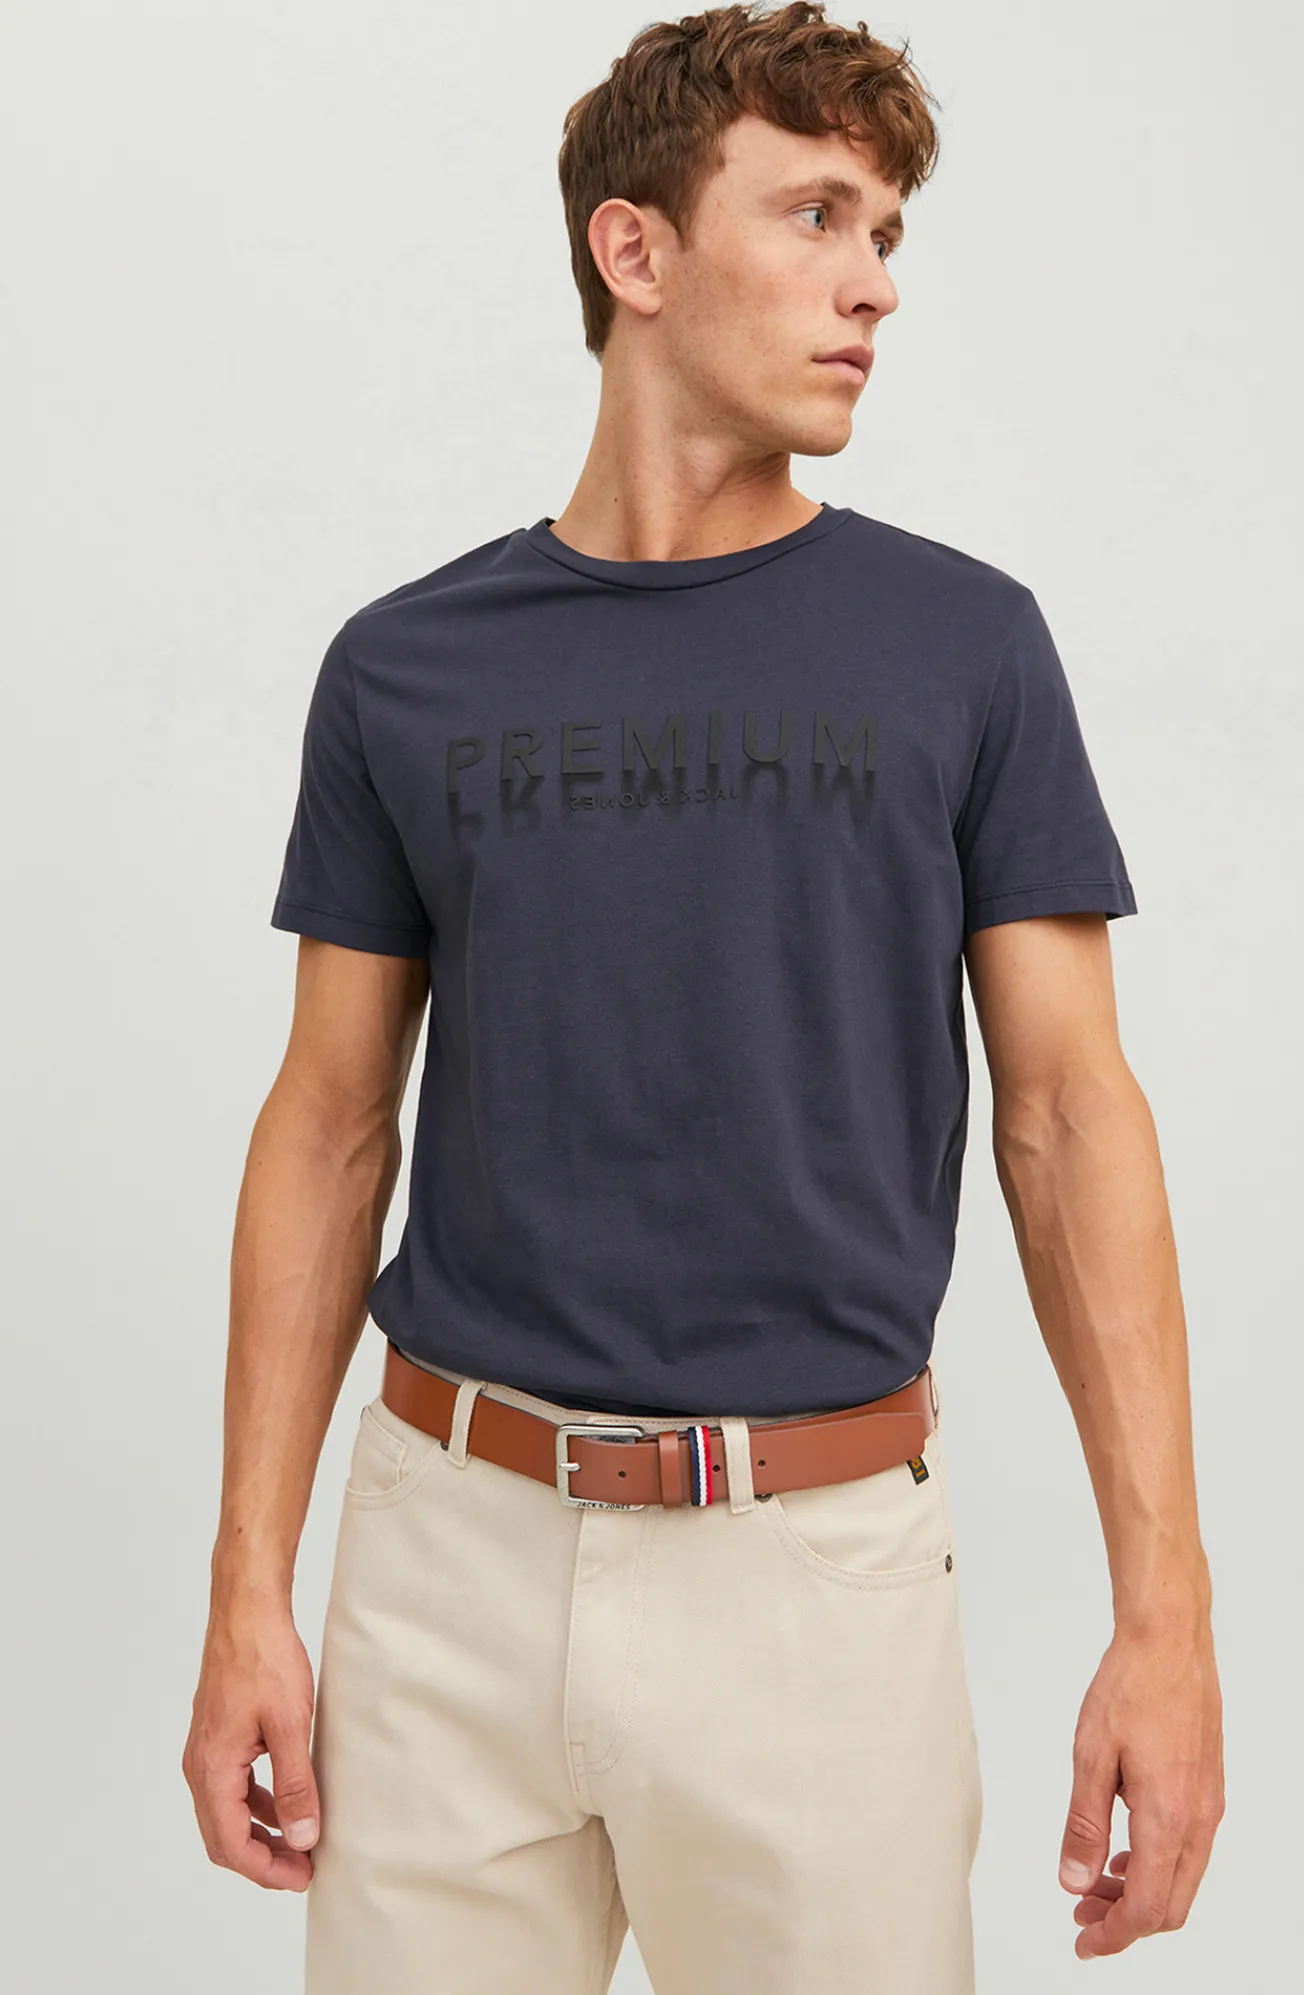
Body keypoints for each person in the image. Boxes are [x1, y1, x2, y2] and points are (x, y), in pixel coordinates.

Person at [182, 5, 1224, 1989]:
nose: (873, 283)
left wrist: (1162, 1618)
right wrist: (249, 1586)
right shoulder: (407, 668)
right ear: (634, 250)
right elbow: (326, 1126)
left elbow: (1067, 1116)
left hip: (813, 1583)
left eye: (885, 233)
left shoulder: (963, 648)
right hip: (444, 1565)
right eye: (815, 214)